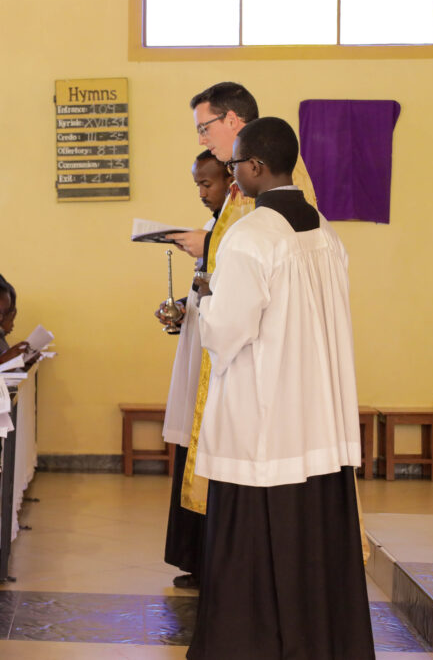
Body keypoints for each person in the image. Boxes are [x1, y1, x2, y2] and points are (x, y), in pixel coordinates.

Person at [186, 118, 372, 660]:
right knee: (312, 550)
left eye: (236, 163)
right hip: (317, 422)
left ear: (257, 166)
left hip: (264, 428)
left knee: (253, 552)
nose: (233, 174)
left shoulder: (252, 234)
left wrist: (203, 295)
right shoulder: (323, 229)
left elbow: (227, 330)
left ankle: (251, 645)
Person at [170, 82, 316, 517]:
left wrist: (209, 241)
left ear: (232, 121)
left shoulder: (268, 176)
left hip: (259, 343)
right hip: (230, 317)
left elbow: (261, 249)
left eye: (204, 127)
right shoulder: (240, 175)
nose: (201, 138)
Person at [159, 150, 231, 590]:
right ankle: (195, 558)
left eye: (208, 184)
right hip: (197, 351)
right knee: (189, 452)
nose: (202, 193)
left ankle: (214, 562)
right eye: (197, 185)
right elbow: (204, 292)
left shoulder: (236, 232)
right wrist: (180, 309)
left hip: (219, 363)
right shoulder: (211, 230)